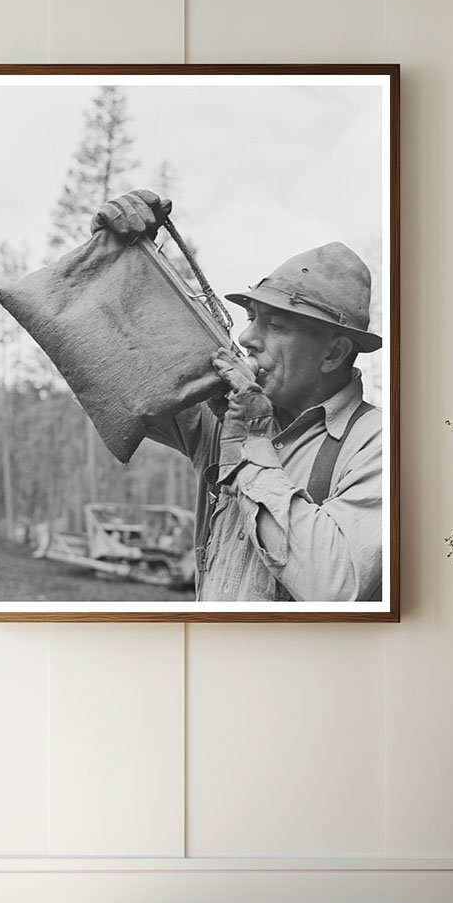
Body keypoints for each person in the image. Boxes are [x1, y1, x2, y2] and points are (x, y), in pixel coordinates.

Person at [91, 189, 383, 602]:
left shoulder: (378, 445)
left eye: (276, 325)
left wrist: (251, 443)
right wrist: (117, 262)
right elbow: (115, 370)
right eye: (251, 319)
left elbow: (333, 583)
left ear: (333, 353)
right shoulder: (223, 414)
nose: (247, 338)